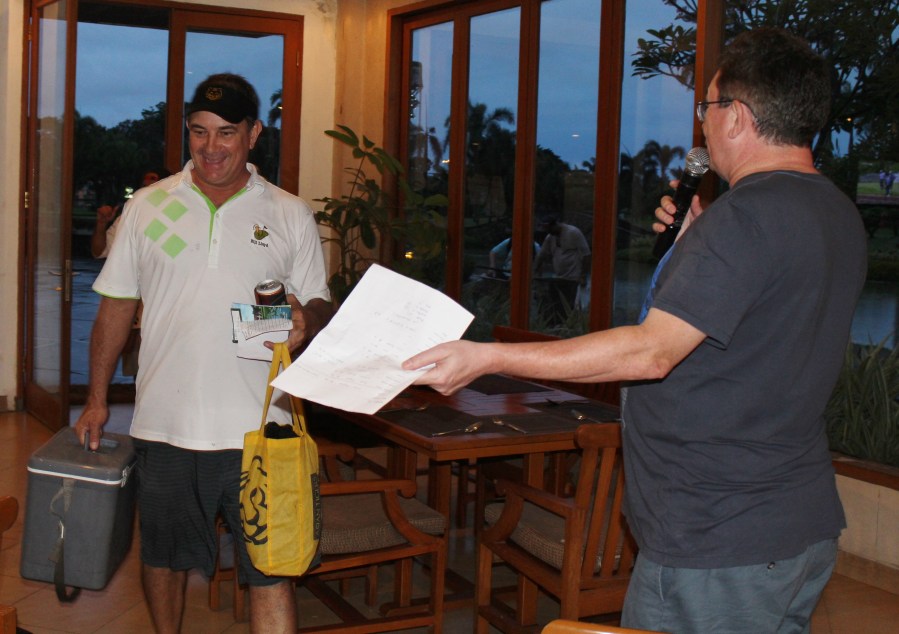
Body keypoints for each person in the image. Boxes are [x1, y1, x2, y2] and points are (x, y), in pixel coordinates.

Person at [403, 28, 867, 634]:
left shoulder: (747, 216)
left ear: (737, 117)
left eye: (706, 107)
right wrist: (697, 242)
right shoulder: (834, 211)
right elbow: (765, 332)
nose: (702, 124)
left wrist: (487, 357)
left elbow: (651, 353)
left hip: (718, 533)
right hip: (795, 521)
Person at [74, 73, 333, 634]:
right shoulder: (149, 206)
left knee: (271, 568)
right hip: (166, 424)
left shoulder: (288, 212)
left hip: (262, 428)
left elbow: (319, 301)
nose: (211, 146)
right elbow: (115, 308)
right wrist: (96, 400)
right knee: (163, 559)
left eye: (226, 132)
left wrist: (307, 319)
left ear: (253, 134)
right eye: (199, 131)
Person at [91, 169, 170, 259]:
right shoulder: (129, 217)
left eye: (152, 185)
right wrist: (101, 224)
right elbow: (99, 252)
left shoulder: (176, 217)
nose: (146, 190)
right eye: (144, 186)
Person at [532, 216, 591, 322]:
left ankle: (569, 323)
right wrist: (535, 271)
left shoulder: (573, 233)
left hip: (573, 277)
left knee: (570, 305)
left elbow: (586, 255)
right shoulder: (550, 237)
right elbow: (541, 255)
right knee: (556, 304)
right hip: (558, 276)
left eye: (549, 228)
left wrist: (583, 275)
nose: (548, 231)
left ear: (555, 224)